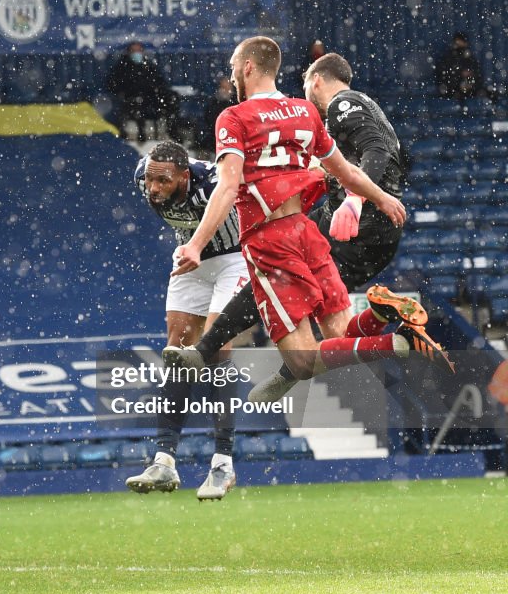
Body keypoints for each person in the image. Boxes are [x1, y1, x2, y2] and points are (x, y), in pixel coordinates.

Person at [170, 36, 452, 406]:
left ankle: (392, 343)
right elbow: (347, 171)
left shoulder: (233, 117)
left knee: (303, 361)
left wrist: (196, 243)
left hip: (270, 241)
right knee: (340, 334)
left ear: (248, 67)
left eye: (234, 67)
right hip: (308, 232)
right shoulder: (304, 112)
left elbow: (227, 186)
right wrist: (382, 198)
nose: (233, 75)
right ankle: (384, 324)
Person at [124, 140, 247, 501]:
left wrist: (196, 244)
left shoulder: (212, 180)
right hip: (191, 260)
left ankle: (223, 461)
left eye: (163, 181)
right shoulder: (142, 177)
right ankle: (164, 461)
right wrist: (191, 246)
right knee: (176, 352)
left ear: (183, 175)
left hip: (234, 257)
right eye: (150, 180)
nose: (153, 188)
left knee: (216, 348)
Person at [106, 41, 180, 141]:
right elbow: (113, 85)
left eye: (139, 51)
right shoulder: (122, 67)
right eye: (134, 51)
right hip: (132, 98)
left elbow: (160, 82)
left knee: (171, 98)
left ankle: (173, 131)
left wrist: (159, 90)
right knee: (137, 102)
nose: (137, 53)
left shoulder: (149, 66)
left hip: (151, 97)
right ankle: (141, 134)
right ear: (128, 52)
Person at [435, 32, 487, 101]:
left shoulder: (470, 58)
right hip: (453, 91)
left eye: (462, 42)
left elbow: (478, 76)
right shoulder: (448, 58)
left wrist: (470, 83)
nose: (459, 44)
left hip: (469, 91)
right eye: (457, 42)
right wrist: (459, 75)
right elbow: (443, 77)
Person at [197, 76, 235, 153]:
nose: (227, 90)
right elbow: (209, 120)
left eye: (228, 87)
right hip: (215, 136)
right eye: (224, 86)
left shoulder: (236, 100)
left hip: (231, 135)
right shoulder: (214, 102)